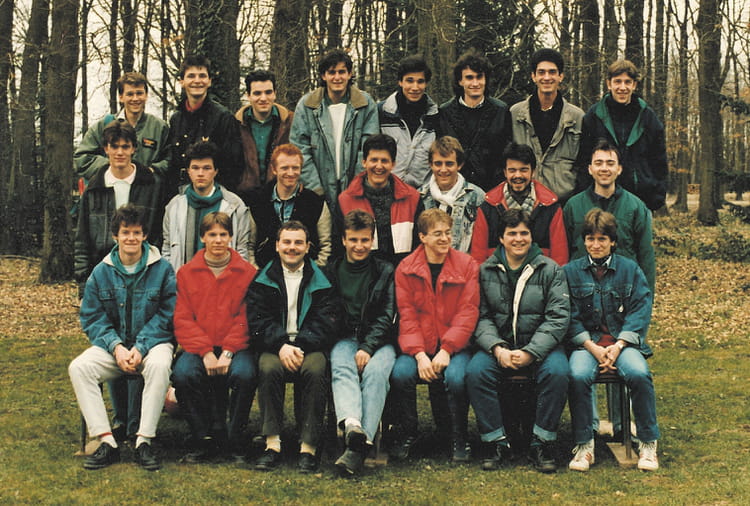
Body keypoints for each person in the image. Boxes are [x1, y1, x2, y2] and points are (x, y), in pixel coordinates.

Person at [69, 203, 175, 471]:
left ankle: (143, 441)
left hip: (152, 345)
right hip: (114, 348)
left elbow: (168, 313)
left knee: (160, 365)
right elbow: (92, 317)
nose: (131, 238)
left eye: (137, 232)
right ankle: (107, 441)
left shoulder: (162, 269)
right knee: (80, 367)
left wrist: (140, 347)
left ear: (145, 235)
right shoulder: (101, 272)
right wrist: (116, 347)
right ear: (115, 235)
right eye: (125, 232)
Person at [465, 209, 570, 473]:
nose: (519, 239)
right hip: (499, 346)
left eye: (524, 233)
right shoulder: (485, 270)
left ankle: (541, 442)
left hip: (541, 347)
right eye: (512, 233)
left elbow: (558, 317)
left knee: (558, 372)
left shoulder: (550, 269)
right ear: (501, 238)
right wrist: (497, 348)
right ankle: (496, 442)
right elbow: (479, 315)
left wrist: (531, 352)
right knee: (476, 372)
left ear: (532, 236)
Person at [565, 208, 660, 472]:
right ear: (584, 241)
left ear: (613, 242)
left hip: (622, 344)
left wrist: (618, 346)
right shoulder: (570, 272)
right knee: (577, 375)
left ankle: (648, 442)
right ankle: (584, 445)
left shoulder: (630, 270)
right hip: (586, 345)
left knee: (639, 373)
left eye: (602, 239)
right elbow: (568, 316)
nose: (596, 245)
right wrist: (592, 347)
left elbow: (640, 310)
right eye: (590, 239)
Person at [246, 221, 339, 473]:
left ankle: (308, 446)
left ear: (308, 247)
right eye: (286, 242)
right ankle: (272, 443)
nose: (292, 247)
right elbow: (257, 320)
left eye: (298, 242)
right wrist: (281, 345)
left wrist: (301, 345)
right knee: (268, 368)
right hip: (275, 346)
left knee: (316, 369)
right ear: (277, 246)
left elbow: (328, 320)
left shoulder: (323, 278)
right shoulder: (262, 278)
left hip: (310, 345)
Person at [389, 208, 479, 463]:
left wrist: (447, 349)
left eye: (448, 233)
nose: (445, 238)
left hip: (456, 346)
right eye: (437, 233)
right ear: (422, 237)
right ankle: (408, 433)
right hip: (419, 346)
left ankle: (458, 436)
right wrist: (419, 355)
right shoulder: (406, 268)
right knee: (401, 373)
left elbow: (468, 312)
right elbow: (407, 316)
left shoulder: (467, 265)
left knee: (456, 377)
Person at [171, 212, 258, 463]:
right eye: (212, 235)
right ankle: (202, 438)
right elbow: (183, 319)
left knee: (245, 374)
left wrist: (228, 351)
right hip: (199, 347)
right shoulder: (186, 273)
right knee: (183, 374)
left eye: (223, 234)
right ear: (202, 238)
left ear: (231, 237)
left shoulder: (247, 272)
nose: (218, 240)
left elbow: (246, 317)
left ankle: (235, 438)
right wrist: (206, 352)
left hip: (237, 347)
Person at [327, 210, 397, 476]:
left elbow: (387, 315)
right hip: (345, 337)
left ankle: (357, 446)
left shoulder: (384, 270)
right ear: (344, 240)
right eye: (353, 240)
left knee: (376, 374)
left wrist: (367, 347)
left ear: (372, 240)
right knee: (342, 367)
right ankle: (354, 427)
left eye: (365, 240)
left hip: (380, 340)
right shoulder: (332, 270)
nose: (359, 246)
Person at [75, 121, 162, 292]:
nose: (120, 152)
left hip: (143, 274)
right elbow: (82, 240)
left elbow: (159, 235)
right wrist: (84, 284)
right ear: (106, 149)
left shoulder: (152, 185)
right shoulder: (94, 188)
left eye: (125, 146)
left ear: (133, 149)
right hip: (102, 275)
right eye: (114, 146)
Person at [290, 48, 379, 213]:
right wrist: (315, 189)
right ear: (323, 76)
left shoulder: (365, 104)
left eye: (342, 72)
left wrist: (356, 187)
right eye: (332, 72)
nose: (337, 77)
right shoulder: (307, 105)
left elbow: (369, 148)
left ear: (350, 74)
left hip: (356, 189)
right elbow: (300, 149)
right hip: (316, 190)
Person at [563, 139, 655, 292]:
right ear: (590, 169)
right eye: (598, 163)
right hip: (582, 290)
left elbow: (646, 256)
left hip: (624, 289)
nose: (604, 168)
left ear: (619, 169)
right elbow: (563, 252)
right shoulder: (573, 206)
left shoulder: (636, 207)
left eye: (610, 163)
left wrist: (646, 296)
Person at [577, 59, 667, 211]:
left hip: (641, 197)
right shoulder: (594, 115)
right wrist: (585, 194)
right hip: (601, 197)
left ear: (634, 85)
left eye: (628, 82)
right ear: (609, 84)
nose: (622, 87)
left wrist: (657, 194)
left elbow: (659, 160)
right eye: (617, 81)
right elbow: (584, 159)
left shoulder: (647, 116)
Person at [470, 142, 568, 266]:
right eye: (512, 170)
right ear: (505, 172)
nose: (518, 175)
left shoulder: (551, 207)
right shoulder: (488, 207)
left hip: (540, 275)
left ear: (533, 171)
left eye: (523, 170)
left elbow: (560, 258)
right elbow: (478, 256)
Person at [161, 140, 252, 271]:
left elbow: (242, 250)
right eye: (195, 168)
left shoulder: (235, 205)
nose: (200, 173)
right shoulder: (174, 205)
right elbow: (167, 248)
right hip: (183, 280)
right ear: (188, 171)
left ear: (215, 171)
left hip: (222, 280)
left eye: (206, 168)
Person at [510, 48, 584, 204]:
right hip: (524, 200)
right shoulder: (515, 114)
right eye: (541, 72)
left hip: (564, 202)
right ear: (533, 76)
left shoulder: (577, 117)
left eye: (552, 72)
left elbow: (582, 165)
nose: (547, 77)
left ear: (561, 76)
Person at [337, 133, 422, 265]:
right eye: (374, 160)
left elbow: (420, 246)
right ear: (364, 162)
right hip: (362, 272)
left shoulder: (412, 198)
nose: (379, 166)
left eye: (384, 161)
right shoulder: (345, 200)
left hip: (403, 272)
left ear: (393, 164)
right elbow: (338, 248)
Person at [167, 54, 244, 198]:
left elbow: (233, 167)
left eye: (202, 76)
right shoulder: (176, 120)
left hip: (214, 197)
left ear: (209, 81)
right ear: (182, 81)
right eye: (191, 76)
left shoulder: (223, 118)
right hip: (181, 196)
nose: (197, 81)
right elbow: (173, 163)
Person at [247, 144, 332, 269]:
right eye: (285, 168)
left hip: (307, 274)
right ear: (274, 169)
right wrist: (257, 273)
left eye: (295, 168)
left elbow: (326, 246)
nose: (291, 173)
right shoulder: (258, 202)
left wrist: (314, 273)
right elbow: (249, 245)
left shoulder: (316, 202)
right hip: (265, 273)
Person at [74, 71, 170, 182]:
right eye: (130, 94)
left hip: (145, 189)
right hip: (110, 190)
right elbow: (81, 158)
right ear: (121, 97)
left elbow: (170, 160)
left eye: (139, 93)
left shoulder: (160, 127)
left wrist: (151, 171)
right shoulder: (103, 126)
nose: (135, 99)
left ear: (146, 95)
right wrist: (112, 167)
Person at [438, 49, 512, 191]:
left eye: (479, 77)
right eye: (469, 78)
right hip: (456, 189)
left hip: (493, 188)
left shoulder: (501, 111)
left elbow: (506, 152)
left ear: (486, 79)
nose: (475, 83)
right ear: (460, 81)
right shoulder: (445, 112)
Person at [378, 55, 440, 188]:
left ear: (426, 83)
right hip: (387, 190)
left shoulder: (435, 116)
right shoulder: (381, 112)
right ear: (400, 82)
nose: (415, 87)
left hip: (422, 193)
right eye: (409, 81)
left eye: (420, 81)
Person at [234, 69, 294, 199]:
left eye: (268, 92)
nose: (263, 98)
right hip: (245, 195)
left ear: (275, 94)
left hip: (281, 194)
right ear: (248, 95)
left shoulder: (290, 122)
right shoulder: (236, 125)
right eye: (257, 93)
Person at [419, 136, 485, 252]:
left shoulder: (477, 197)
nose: (443, 170)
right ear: (430, 164)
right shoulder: (419, 197)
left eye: (449, 164)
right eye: (438, 164)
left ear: (459, 165)